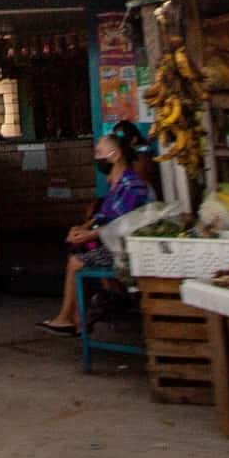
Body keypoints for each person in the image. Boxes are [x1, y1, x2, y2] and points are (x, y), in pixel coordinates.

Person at [37, 127, 152, 335]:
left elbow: (121, 223)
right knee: (75, 250)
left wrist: (89, 234)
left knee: (76, 262)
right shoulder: (117, 184)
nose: (96, 158)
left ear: (114, 156)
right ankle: (76, 320)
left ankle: (69, 319)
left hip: (125, 249)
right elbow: (102, 216)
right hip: (112, 243)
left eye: (99, 153)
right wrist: (83, 228)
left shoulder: (133, 185)